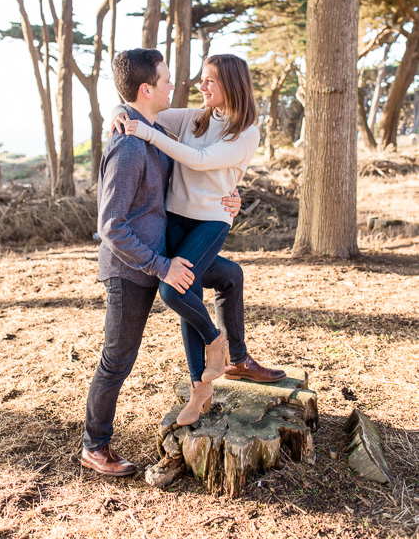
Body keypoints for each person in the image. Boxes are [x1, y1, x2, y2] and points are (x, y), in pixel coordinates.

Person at [81, 48, 284, 477]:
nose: (186, 85)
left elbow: (205, 162)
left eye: (208, 79)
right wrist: (121, 113)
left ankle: (223, 365)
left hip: (172, 244)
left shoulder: (165, 127)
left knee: (228, 275)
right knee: (117, 359)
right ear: (147, 88)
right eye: (168, 79)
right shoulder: (139, 142)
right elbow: (112, 226)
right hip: (136, 263)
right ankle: (94, 445)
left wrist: (233, 194)